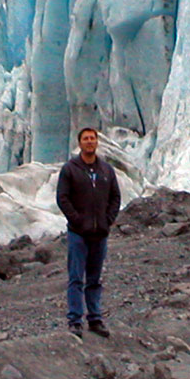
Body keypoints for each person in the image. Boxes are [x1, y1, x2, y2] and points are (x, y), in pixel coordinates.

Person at [56, 127, 121, 338]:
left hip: (99, 233)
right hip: (78, 234)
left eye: (92, 138)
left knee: (94, 279)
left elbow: (115, 197)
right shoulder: (70, 169)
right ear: (80, 143)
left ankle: (95, 320)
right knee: (76, 278)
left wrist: (107, 221)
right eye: (86, 138)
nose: (90, 141)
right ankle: (75, 321)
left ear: (97, 142)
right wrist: (77, 221)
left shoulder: (106, 170)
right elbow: (62, 198)